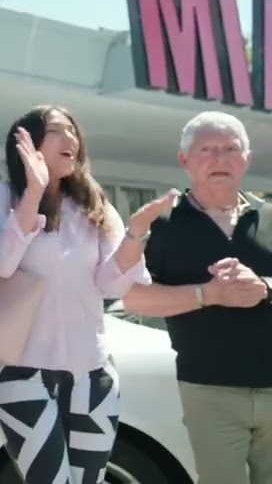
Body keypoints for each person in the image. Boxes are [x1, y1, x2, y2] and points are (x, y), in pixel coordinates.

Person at [0, 106, 157, 483]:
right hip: (19, 371)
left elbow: (112, 284)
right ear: (28, 143)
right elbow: (1, 265)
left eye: (73, 132)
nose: (71, 140)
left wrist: (137, 234)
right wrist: (33, 192)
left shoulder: (94, 204)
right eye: (58, 131)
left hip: (93, 374)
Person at [122, 112, 272, 484]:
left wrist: (265, 287)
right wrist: (208, 294)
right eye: (207, 149)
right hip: (210, 390)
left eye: (231, 149)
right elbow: (133, 299)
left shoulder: (270, 217)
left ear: (247, 160)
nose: (220, 158)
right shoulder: (161, 226)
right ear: (185, 160)